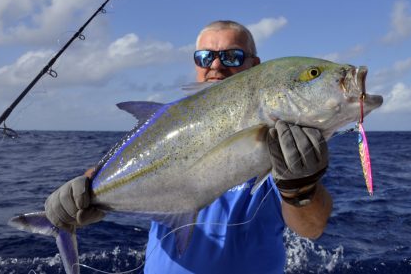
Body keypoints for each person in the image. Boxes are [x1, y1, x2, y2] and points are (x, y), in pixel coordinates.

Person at [45, 20, 333, 273]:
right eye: (205, 57)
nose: (216, 66)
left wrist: (302, 186)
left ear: (254, 66)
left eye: (232, 56)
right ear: (196, 64)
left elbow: (311, 227)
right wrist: (83, 192)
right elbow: (128, 167)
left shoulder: (286, 138)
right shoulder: (167, 126)